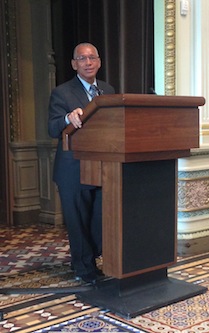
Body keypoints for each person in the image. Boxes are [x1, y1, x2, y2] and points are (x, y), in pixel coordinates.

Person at [48, 42, 115, 284]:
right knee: (77, 221)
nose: (88, 63)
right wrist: (67, 117)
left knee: (98, 220)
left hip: (102, 167)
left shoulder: (108, 90)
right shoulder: (62, 92)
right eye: (82, 59)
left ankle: (92, 258)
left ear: (99, 62)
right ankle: (84, 268)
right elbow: (52, 127)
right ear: (74, 64)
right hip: (72, 169)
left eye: (92, 58)